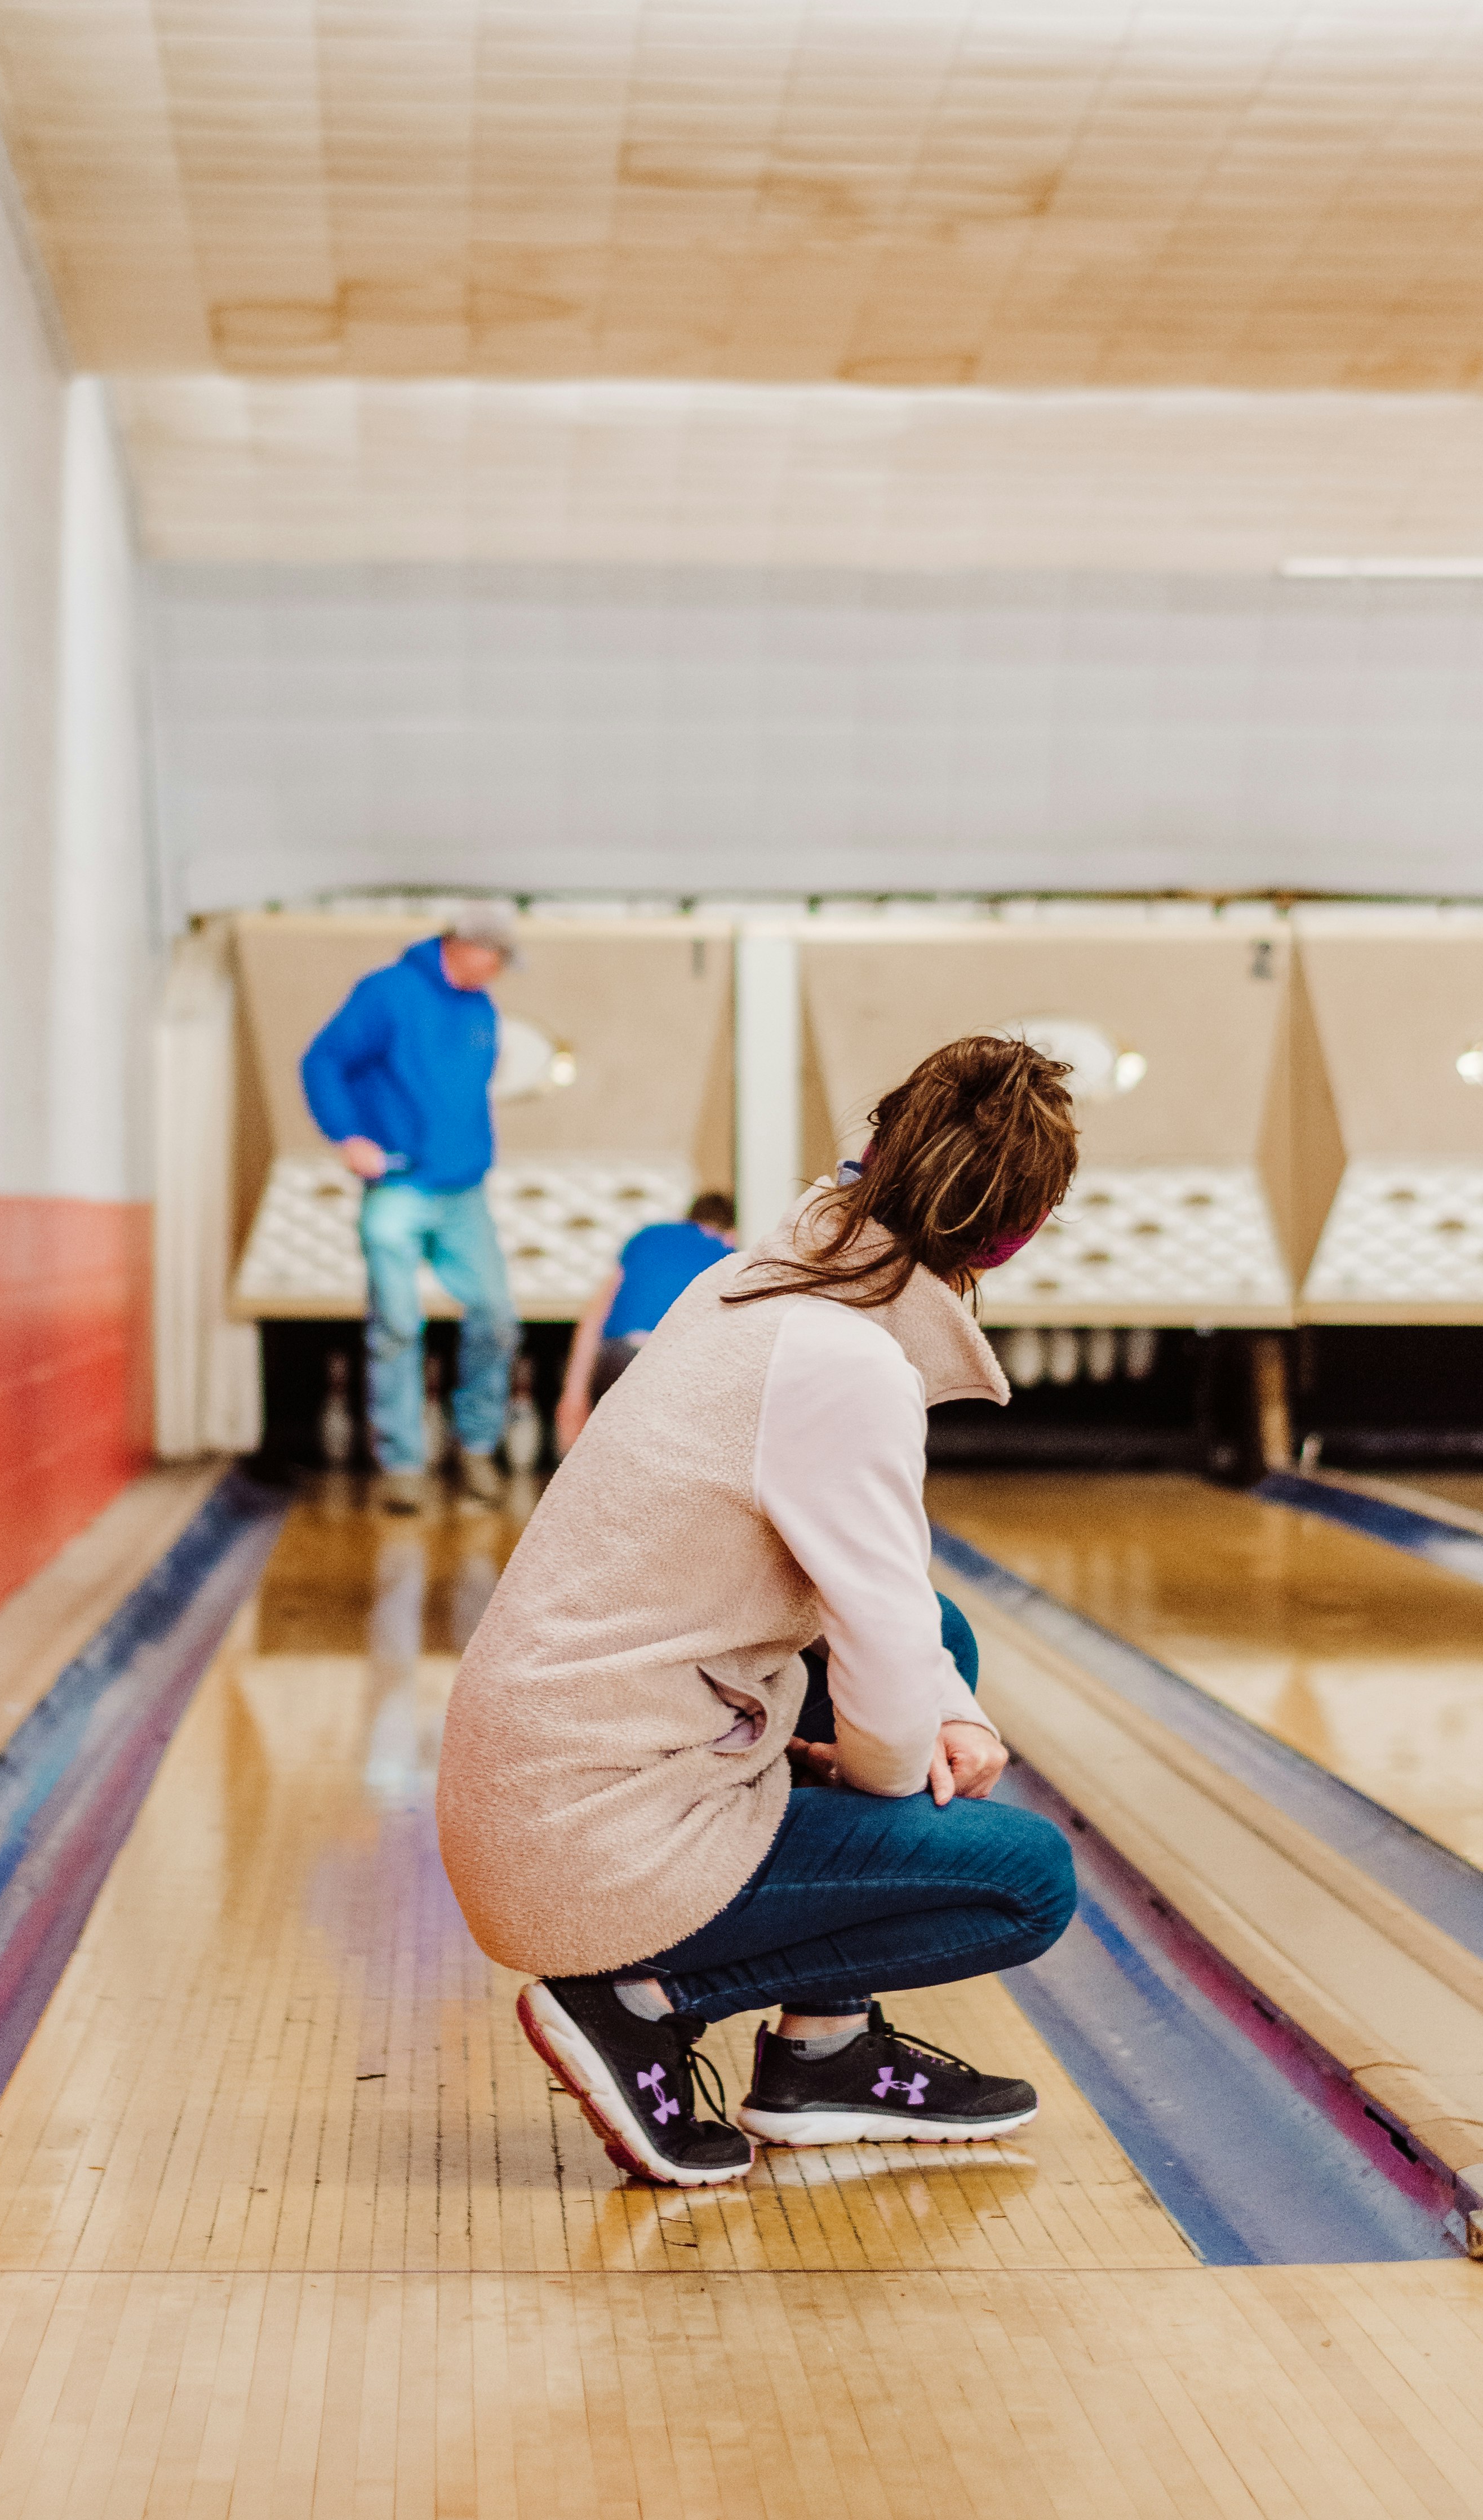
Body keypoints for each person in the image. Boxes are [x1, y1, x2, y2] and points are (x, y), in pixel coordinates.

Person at [435, 1033, 1081, 2185]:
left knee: (948, 1652)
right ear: (1012, 1237)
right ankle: (640, 2000)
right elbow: (882, 1658)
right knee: (1024, 1877)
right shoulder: (849, 1366)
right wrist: (911, 1770)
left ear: (874, 1151)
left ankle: (825, 2049)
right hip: (587, 1842)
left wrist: (944, 1708)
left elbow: (892, 1615)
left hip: (529, 1781)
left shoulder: (747, 1280)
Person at [301, 901, 525, 1512]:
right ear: (466, 946)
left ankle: (476, 1446)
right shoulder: (387, 993)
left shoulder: (482, 1009)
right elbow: (322, 1060)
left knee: (497, 1316)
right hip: (398, 1186)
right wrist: (348, 1134)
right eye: (498, 958)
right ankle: (402, 1462)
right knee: (398, 1324)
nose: (500, 970)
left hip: (463, 1192)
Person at [557, 1189, 739, 1450]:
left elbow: (595, 1315)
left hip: (618, 1356)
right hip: (671, 1363)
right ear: (731, 1231)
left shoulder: (647, 1236)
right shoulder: (728, 1255)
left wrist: (573, 1396)